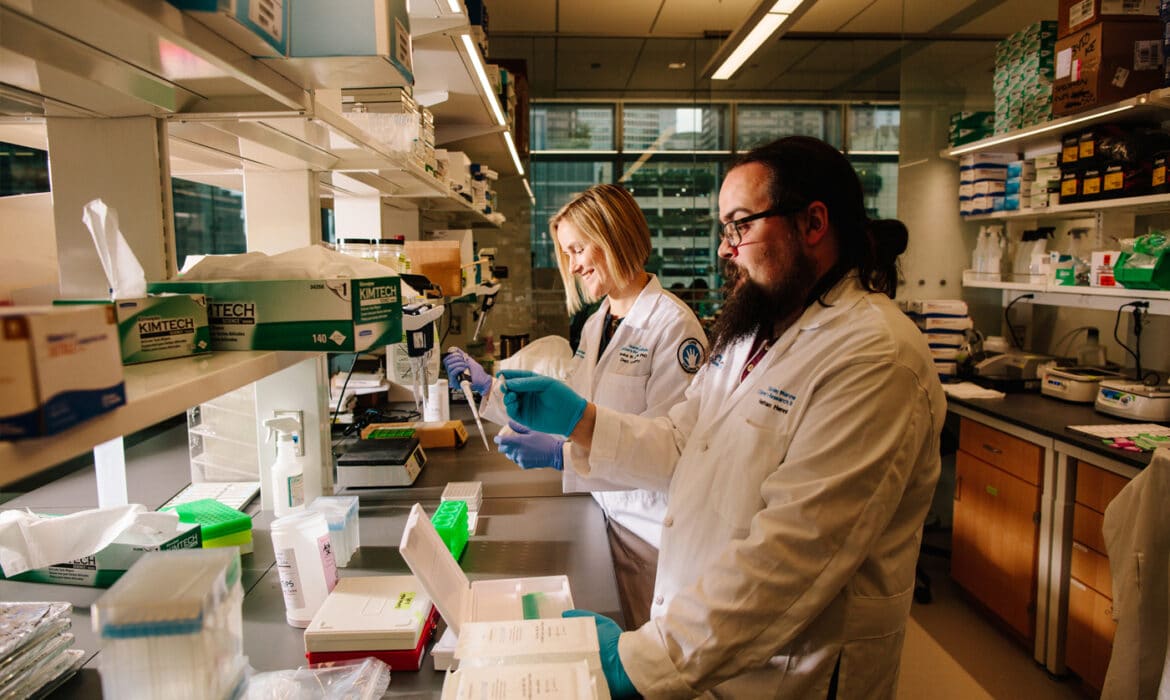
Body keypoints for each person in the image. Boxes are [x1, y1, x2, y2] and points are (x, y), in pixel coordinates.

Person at [497, 136, 947, 698]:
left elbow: (794, 554)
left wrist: (642, 660)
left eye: (740, 225)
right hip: (711, 639)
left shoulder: (876, 357)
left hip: (792, 670)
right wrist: (583, 422)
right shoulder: (755, 335)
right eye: (723, 229)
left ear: (812, 224)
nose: (724, 250)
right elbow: (681, 440)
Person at [444, 183, 708, 630]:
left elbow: (670, 459)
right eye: (567, 253)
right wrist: (491, 392)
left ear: (615, 236)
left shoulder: (674, 328)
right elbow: (573, 407)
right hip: (604, 512)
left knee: (650, 672)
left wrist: (559, 453)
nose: (574, 265)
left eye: (579, 248)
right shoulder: (596, 323)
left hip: (649, 533)